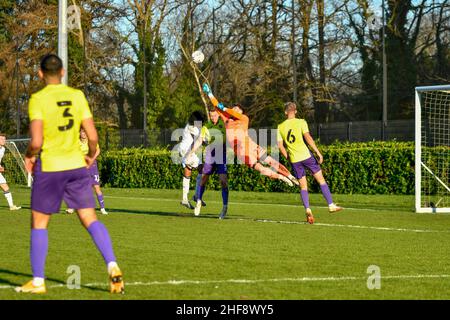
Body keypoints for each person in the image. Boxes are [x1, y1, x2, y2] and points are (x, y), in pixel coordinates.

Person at [15, 54, 124, 294]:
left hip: (51, 167)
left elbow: (36, 140)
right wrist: (90, 154)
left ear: (40, 74)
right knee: (90, 219)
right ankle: (113, 266)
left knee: (40, 223)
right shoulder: (77, 96)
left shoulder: (37, 99)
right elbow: (93, 137)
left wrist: (29, 155)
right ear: (63, 72)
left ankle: (38, 281)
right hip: (76, 167)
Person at [202, 83, 298, 187]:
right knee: (261, 169)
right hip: (241, 152)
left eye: (238, 108)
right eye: (234, 107)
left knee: (271, 161)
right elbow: (216, 105)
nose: (235, 109)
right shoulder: (226, 118)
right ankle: (281, 177)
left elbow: (232, 113)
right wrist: (209, 93)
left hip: (251, 146)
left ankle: (290, 175)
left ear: (242, 111)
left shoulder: (244, 118)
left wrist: (225, 109)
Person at [277, 101, 343, 224]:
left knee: (303, 187)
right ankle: (330, 205)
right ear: (295, 111)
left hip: (295, 160)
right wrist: (318, 152)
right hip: (306, 156)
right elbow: (308, 138)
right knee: (321, 180)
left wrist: (288, 158)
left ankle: (308, 209)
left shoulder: (280, 126)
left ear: (285, 112)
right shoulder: (301, 122)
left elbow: (280, 147)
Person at [186, 109, 229, 218]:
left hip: (221, 156)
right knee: (204, 178)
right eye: (211, 116)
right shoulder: (206, 127)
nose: (213, 117)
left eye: (215, 115)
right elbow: (199, 141)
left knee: (223, 181)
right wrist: (191, 152)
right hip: (210, 155)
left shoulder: (224, 125)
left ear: (218, 115)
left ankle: (224, 207)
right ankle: (199, 202)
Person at [66, 128, 108, 215]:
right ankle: (71, 207)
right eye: (82, 132)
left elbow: (98, 150)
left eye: (85, 132)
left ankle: (102, 208)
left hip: (92, 166)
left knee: (96, 187)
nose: (84, 134)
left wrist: (92, 159)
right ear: (80, 133)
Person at [178, 111, 206, 209]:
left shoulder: (189, 126)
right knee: (202, 170)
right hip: (188, 150)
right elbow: (203, 139)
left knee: (188, 170)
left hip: (184, 150)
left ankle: (185, 198)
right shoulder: (193, 127)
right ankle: (196, 195)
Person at [0, 134, 21, 211]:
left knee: (6, 188)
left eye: (4, 139)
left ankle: (11, 206)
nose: (4, 141)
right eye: (2, 139)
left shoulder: (3, 149)